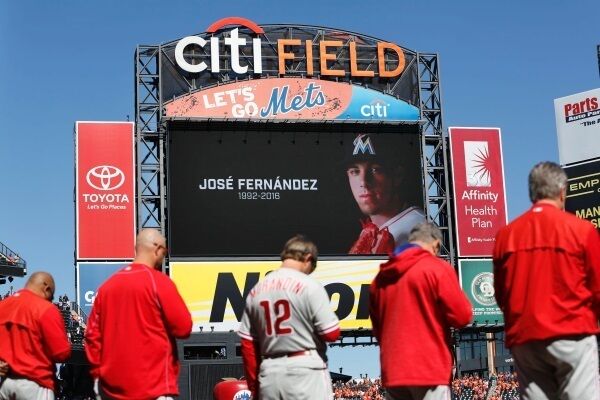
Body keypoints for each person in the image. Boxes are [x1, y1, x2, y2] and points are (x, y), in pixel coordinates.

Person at [493, 161, 600, 400]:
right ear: (562, 192)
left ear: (532, 192)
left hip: (525, 339)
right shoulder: (581, 229)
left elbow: (501, 294)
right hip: (572, 332)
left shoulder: (506, 235)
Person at [85, 228, 193, 400]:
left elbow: (91, 337)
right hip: (154, 387)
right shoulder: (159, 282)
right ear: (157, 249)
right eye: (165, 251)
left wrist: (98, 375)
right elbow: (184, 327)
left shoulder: (106, 287)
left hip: (111, 390)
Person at [370, 222, 472, 400]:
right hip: (428, 367)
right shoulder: (436, 267)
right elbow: (462, 317)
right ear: (436, 244)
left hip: (393, 370)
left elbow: (378, 329)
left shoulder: (380, 278)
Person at [238, 235, 340, 399]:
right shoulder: (310, 285)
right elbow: (331, 333)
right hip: (304, 369)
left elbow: (248, 345)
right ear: (307, 259)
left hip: (269, 372)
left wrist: (255, 386)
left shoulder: (256, 290)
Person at [345, 133, 425, 254]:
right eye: (355, 171)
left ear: (397, 175)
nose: (363, 182)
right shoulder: (368, 231)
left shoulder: (420, 227)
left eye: (375, 170)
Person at [0, 271, 71, 400]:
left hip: (5, 384)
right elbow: (62, 353)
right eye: (51, 296)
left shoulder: (3, 306)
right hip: (35, 383)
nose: (51, 300)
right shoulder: (45, 308)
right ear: (46, 288)